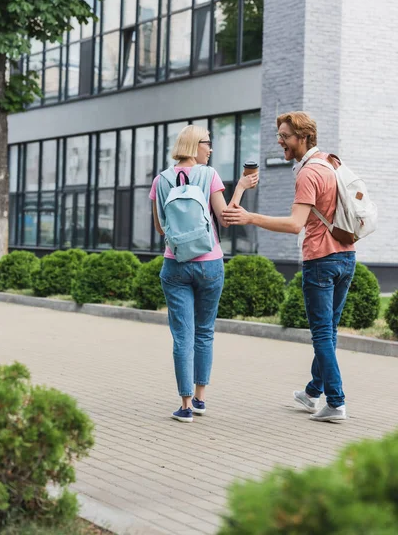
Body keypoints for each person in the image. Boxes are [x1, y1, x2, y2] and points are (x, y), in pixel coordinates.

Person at [223, 111, 356, 423]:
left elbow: (296, 224)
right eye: (279, 135)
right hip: (347, 255)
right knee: (330, 331)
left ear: (303, 138)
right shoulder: (330, 162)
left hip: (321, 260)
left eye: (284, 136)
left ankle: (335, 403)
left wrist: (249, 217)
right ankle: (312, 393)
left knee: (322, 334)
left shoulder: (309, 173)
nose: (279, 141)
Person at [150, 125, 258, 422]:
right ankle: (200, 399)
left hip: (175, 264)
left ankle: (184, 406)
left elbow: (160, 227)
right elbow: (224, 219)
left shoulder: (161, 180)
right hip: (210, 262)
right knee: (205, 331)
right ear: (194, 145)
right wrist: (241, 188)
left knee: (182, 335)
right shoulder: (209, 175)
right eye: (207, 143)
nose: (210, 149)